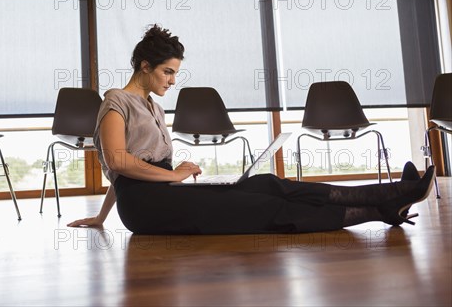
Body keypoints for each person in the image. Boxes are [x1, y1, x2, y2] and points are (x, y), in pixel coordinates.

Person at [67, 24, 435, 234]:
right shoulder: (116, 101)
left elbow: (125, 171)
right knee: (264, 205)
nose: (173, 80)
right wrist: (174, 177)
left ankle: (389, 197)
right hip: (147, 207)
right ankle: (385, 204)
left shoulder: (153, 105)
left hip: (160, 193)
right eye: (167, 71)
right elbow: (119, 163)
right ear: (144, 65)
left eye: (175, 72)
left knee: (268, 184)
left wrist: (103, 216)